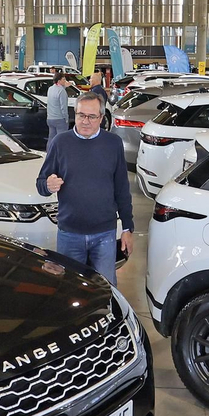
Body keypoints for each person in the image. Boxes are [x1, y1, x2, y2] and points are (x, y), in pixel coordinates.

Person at [35, 92, 134, 285]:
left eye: (92, 116)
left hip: (104, 234)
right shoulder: (60, 143)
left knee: (106, 288)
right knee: (68, 288)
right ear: (75, 114)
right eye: (81, 115)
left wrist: (128, 228)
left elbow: (122, 188)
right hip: (69, 234)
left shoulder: (113, 144)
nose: (85, 121)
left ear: (102, 118)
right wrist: (47, 185)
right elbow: (41, 183)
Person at [45, 72, 71, 140]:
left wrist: (64, 87)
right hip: (59, 119)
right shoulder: (62, 91)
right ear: (59, 81)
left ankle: (50, 150)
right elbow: (63, 107)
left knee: (51, 139)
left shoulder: (50, 89)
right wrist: (66, 119)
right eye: (63, 79)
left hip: (50, 118)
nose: (65, 81)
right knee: (61, 139)